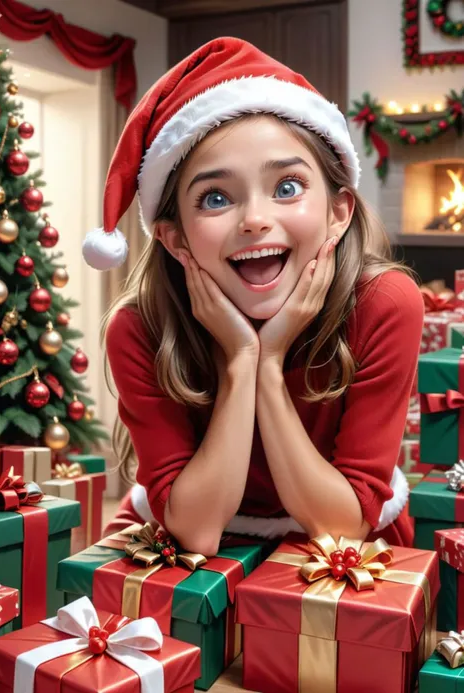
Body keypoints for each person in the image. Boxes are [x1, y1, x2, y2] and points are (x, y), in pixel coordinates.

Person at [83, 37, 424, 556]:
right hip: (183, 548)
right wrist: (242, 359)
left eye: (287, 186)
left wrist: (271, 365)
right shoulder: (138, 328)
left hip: (340, 556)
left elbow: (343, 526)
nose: (255, 220)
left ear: (338, 211)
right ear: (175, 238)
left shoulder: (384, 302)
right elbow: (195, 531)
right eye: (216, 197)